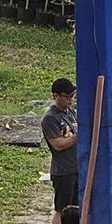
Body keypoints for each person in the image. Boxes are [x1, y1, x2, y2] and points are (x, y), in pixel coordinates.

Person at [41, 77, 78, 212]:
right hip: (63, 171)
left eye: (72, 96)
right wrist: (78, 137)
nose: (70, 100)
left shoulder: (70, 112)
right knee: (62, 210)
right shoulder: (50, 118)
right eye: (67, 96)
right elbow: (57, 144)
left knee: (75, 209)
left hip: (76, 168)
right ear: (55, 95)